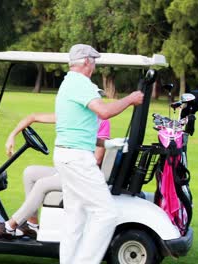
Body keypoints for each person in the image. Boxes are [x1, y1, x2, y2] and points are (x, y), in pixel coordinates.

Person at [54, 44, 143, 264]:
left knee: (76, 216)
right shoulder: (80, 83)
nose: (94, 65)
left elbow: (76, 126)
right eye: (93, 61)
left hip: (66, 154)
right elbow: (104, 112)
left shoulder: (67, 83)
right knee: (106, 212)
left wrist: (104, 142)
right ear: (86, 62)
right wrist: (131, 99)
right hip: (77, 158)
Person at [0, 112, 112, 239]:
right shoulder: (71, 114)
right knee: (30, 172)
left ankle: (9, 227)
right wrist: (12, 135)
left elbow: (97, 159)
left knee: (42, 184)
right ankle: (32, 225)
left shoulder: (101, 121)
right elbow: (33, 117)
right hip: (68, 170)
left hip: (83, 177)